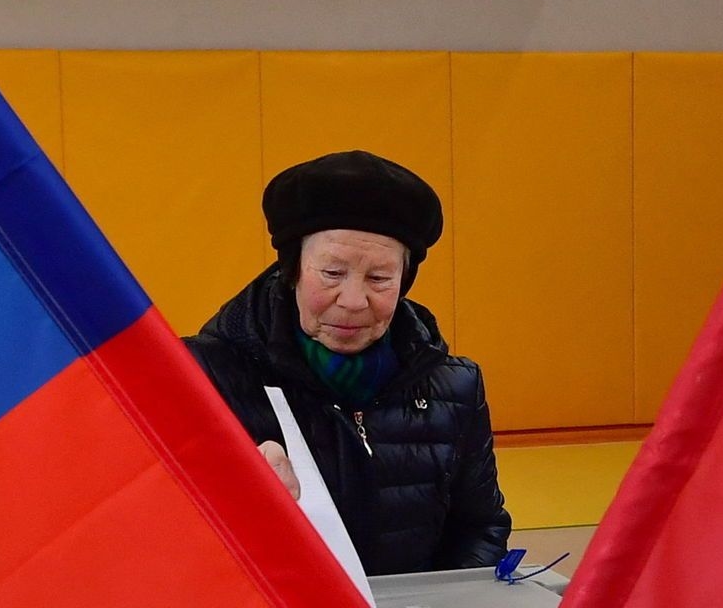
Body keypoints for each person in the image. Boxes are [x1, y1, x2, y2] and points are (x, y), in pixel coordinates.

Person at [185, 150, 510, 576]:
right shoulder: (200, 379)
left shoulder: (455, 388)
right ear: (292, 270)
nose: (354, 301)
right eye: (332, 273)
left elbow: (480, 527)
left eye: (379, 279)